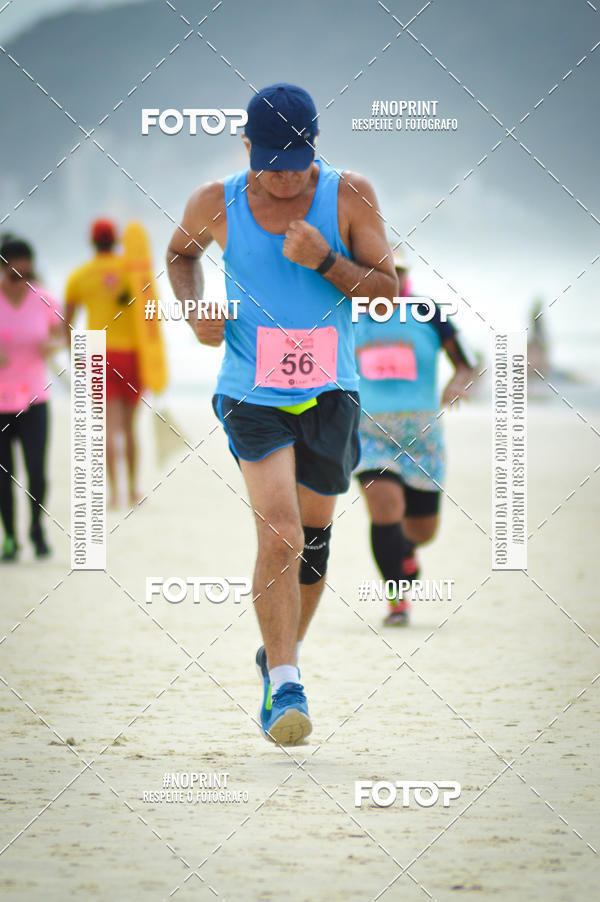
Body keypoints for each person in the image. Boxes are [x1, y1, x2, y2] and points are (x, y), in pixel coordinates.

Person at [167, 83, 397, 745]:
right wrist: (194, 310)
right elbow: (181, 256)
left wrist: (325, 259)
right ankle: (289, 683)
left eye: (296, 162)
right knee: (281, 531)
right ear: (247, 147)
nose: (286, 176)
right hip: (251, 390)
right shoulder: (217, 202)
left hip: (332, 391)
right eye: (271, 162)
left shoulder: (349, 195)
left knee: (315, 544)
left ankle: (277, 654)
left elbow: (386, 291)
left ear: (314, 147)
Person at [354, 247, 475, 626]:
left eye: (396, 272)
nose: (389, 281)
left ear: (406, 276)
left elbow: (466, 364)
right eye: (379, 272)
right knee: (384, 509)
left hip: (422, 438)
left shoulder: (429, 313)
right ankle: (397, 601)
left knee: (421, 532)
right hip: (370, 433)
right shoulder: (349, 313)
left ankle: (406, 551)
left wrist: (457, 383)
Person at [65, 219, 141, 507]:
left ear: (92, 241)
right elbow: (151, 314)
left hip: (98, 352)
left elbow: (66, 322)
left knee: (109, 425)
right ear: (117, 239)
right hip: (132, 353)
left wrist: (76, 354)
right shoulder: (132, 271)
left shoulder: (79, 276)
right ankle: (133, 490)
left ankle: (113, 494)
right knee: (130, 427)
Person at [0, 235, 63, 561]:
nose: (20, 281)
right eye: (13, 275)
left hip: (35, 400)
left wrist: (50, 347)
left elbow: (61, 337)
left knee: (36, 471)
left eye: (26, 274)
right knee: (3, 474)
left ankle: (37, 529)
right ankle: (10, 537)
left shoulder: (45, 299)